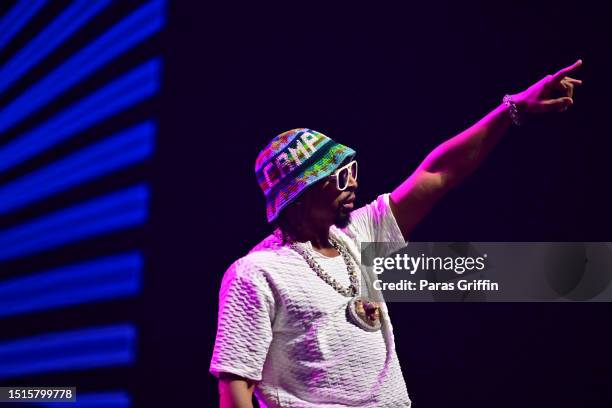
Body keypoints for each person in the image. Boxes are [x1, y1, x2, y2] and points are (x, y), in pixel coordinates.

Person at [209, 60, 583, 407]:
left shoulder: (358, 232)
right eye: (340, 176)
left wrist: (511, 108)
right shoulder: (255, 273)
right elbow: (235, 387)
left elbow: (438, 174)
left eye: (352, 170)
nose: (353, 184)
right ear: (302, 194)